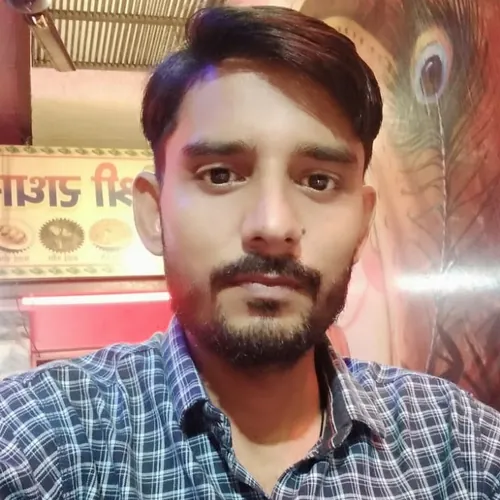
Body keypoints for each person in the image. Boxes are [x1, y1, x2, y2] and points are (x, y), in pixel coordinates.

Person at [1, 5, 499, 499]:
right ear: (154, 213)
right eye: (220, 175)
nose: (273, 226)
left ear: (362, 223)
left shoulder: (458, 446)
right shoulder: (47, 432)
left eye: (319, 181)